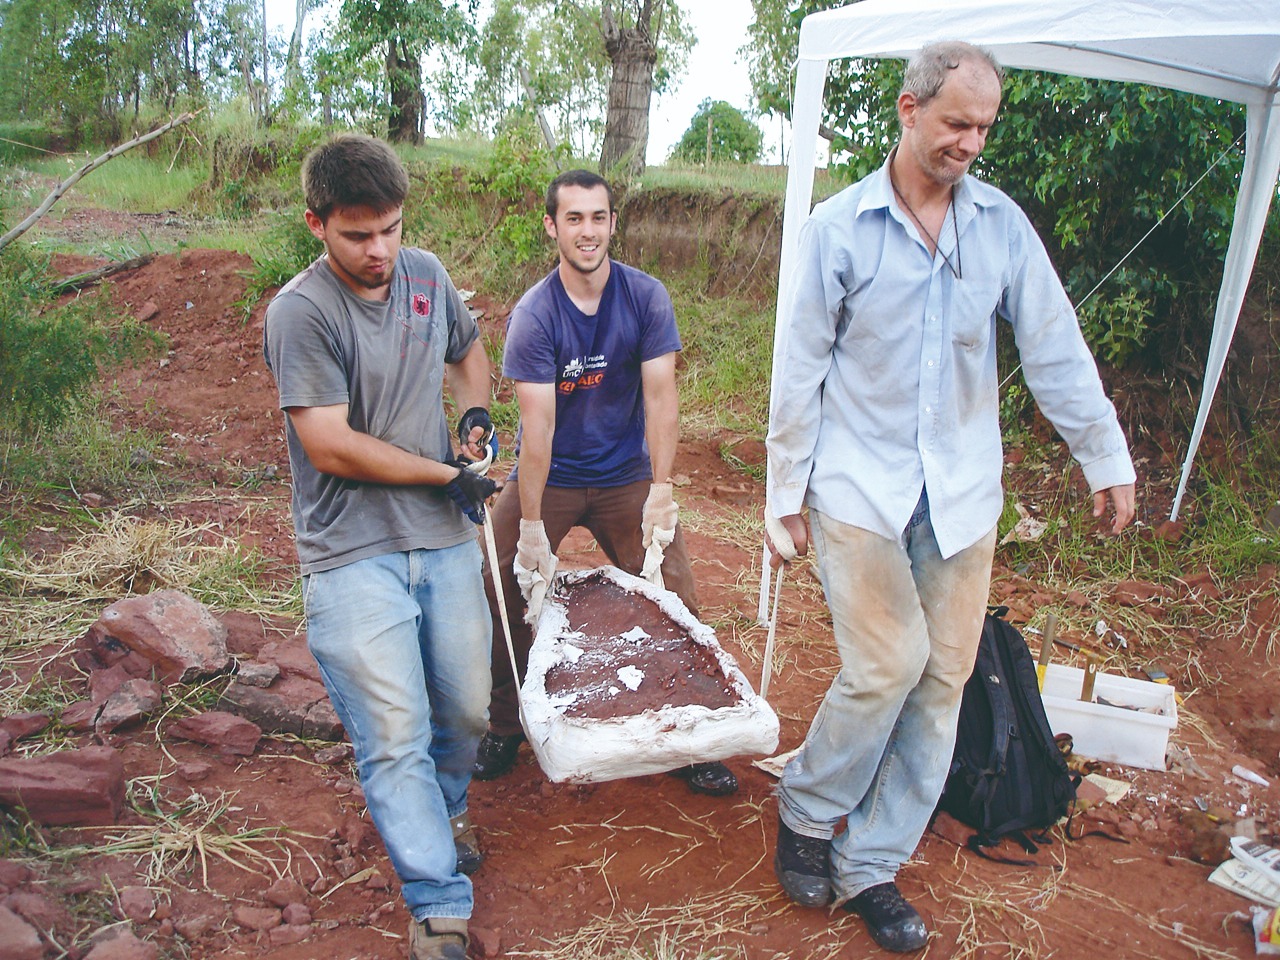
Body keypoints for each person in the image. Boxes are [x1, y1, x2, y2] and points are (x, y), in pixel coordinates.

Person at [765, 42, 1136, 953]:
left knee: (942, 681)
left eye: (982, 128)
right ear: (908, 109)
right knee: (887, 665)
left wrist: (1105, 456)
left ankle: (872, 864)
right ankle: (809, 810)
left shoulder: (1001, 228)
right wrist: (784, 492)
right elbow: (799, 366)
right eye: (954, 124)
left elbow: (1053, 345)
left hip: (963, 494)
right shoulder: (840, 229)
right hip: (858, 484)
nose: (969, 143)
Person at [263, 134, 498, 960]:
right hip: (351, 550)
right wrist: (443, 474)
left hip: (441, 540)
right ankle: (437, 898)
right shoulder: (301, 312)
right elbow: (331, 444)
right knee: (394, 732)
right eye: (358, 234)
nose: (381, 251)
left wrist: (473, 423)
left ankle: (446, 803)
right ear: (316, 225)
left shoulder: (427, 276)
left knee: (468, 707)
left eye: (392, 229)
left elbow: (469, 357)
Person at [472, 169, 738, 798]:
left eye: (598, 217)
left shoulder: (646, 298)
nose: (587, 231)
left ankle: (692, 737)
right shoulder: (536, 314)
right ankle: (506, 722)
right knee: (500, 579)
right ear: (552, 227)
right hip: (555, 475)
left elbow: (661, 398)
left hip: (627, 476)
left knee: (675, 592)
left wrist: (662, 490)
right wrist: (532, 524)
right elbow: (536, 431)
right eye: (573, 218)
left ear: (613, 223)